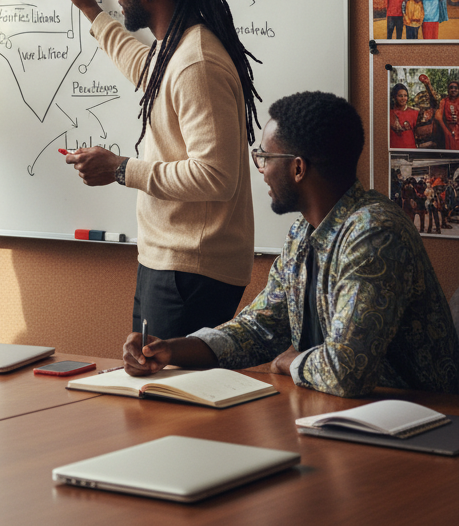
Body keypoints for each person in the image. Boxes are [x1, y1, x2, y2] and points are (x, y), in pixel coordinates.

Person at [121, 91, 459, 397]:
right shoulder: (303, 233)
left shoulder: (375, 234)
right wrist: (171, 351)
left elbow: (347, 372)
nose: (262, 169)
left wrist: (292, 362)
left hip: (422, 420)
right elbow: (259, 327)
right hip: (339, 415)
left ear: (298, 168)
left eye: (265, 157)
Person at [56, 0, 262, 339]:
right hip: (174, 262)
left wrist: (121, 169)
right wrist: (90, 11)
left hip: (190, 269)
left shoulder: (195, 63)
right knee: (157, 390)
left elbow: (216, 176)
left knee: (170, 393)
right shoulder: (178, 50)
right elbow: (141, 64)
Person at [389, 82, 419, 148]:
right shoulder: (388, 113)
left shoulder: (414, 112)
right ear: (394, 97)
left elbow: (419, 133)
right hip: (393, 150)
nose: (403, 98)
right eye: (400, 96)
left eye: (405, 96)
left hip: (410, 150)